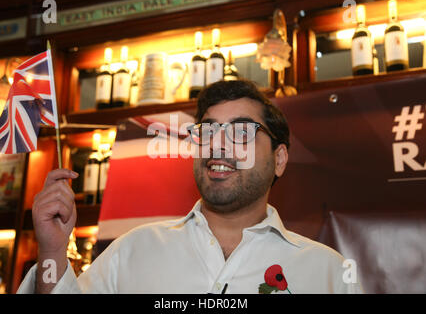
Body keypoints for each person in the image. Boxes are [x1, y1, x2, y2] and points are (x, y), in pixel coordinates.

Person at [18, 79, 362, 294]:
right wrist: (51, 251)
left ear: (280, 158)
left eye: (241, 132)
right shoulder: (135, 250)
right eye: (208, 131)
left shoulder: (327, 273)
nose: (219, 145)